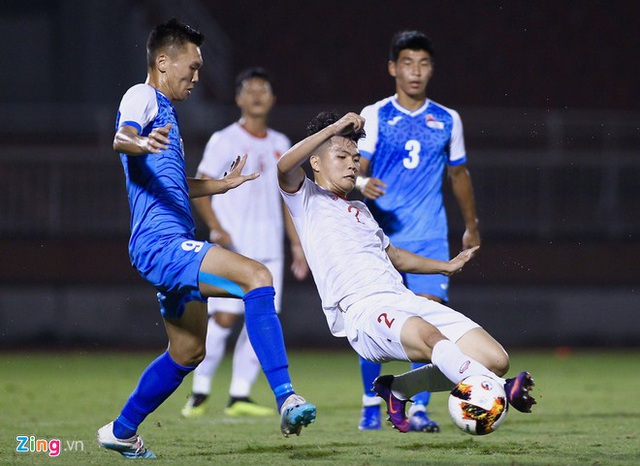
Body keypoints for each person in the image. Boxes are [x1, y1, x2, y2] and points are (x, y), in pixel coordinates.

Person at [96, 20, 315, 459]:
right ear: (163, 61)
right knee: (256, 275)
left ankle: (120, 430)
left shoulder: (167, 115)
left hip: (166, 243)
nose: (196, 78)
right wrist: (137, 143)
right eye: (192, 68)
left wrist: (220, 185)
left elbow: (174, 181)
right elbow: (122, 138)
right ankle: (286, 395)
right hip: (162, 243)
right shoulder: (143, 97)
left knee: (189, 350)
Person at [277, 110, 535, 434]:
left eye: (356, 158)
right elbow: (284, 165)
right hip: (364, 311)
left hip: (403, 298)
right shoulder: (306, 199)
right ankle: (500, 387)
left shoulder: (360, 210)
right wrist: (335, 128)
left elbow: (394, 255)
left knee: (493, 357)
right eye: (341, 156)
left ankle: (398, 390)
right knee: (431, 339)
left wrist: (446, 265)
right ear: (315, 162)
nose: (352, 164)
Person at [353, 30, 481, 433]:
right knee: (376, 318)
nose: (416, 72)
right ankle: (370, 401)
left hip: (429, 233)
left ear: (431, 69)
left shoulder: (446, 119)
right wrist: (360, 185)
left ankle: (419, 407)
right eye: (407, 63)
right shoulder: (375, 115)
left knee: (431, 323)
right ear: (393, 67)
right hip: (382, 235)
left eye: (423, 64)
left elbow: (458, 174)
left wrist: (471, 226)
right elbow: (355, 166)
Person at [181, 67, 309, 419]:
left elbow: (288, 199)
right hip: (234, 247)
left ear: (272, 98)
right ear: (238, 98)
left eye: (263, 89)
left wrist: (297, 245)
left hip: (270, 249)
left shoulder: (282, 144)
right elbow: (201, 185)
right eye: (250, 89)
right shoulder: (224, 139)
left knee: (262, 320)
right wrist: (216, 227)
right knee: (222, 317)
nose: (256, 95)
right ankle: (200, 390)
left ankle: (239, 395)